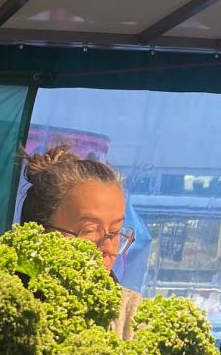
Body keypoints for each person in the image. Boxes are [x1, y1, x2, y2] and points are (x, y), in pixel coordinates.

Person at [20, 144, 140, 339]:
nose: (108, 248)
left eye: (116, 232)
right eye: (90, 230)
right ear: (39, 233)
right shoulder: (1, 306)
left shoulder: (131, 315)